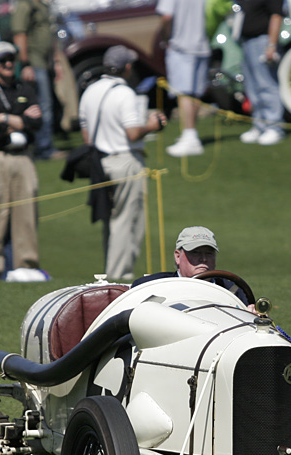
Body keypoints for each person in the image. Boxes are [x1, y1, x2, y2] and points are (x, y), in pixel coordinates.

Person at [79, 45, 167, 280]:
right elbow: (133, 133)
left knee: (111, 221)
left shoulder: (90, 91)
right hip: (125, 161)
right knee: (128, 223)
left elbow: (86, 136)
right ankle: (119, 276)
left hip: (100, 162)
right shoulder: (124, 93)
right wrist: (153, 124)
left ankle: (110, 274)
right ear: (127, 67)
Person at [0, 41, 44, 279]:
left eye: (12, 59)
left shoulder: (25, 88)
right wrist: (19, 119)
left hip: (22, 157)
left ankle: (27, 267)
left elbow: (36, 123)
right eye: (3, 60)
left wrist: (4, 118)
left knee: (27, 213)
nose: (9, 64)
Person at [132, 226, 252, 306]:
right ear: (177, 256)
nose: (203, 258)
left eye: (209, 253)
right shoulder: (153, 286)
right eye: (195, 252)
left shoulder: (233, 290)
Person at [157, 0, 210, 157]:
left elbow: (167, 17)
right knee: (194, 93)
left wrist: (166, 39)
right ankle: (190, 133)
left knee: (184, 94)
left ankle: (189, 135)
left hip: (181, 47)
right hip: (201, 45)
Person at [13, 0, 62, 160]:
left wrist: (56, 61)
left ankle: (43, 145)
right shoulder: (25, 5)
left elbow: (49, 34)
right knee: (42, 106)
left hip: (44, 62)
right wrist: (25, 63)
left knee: (45, 105)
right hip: (34, 63)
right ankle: (44, 148)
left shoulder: (41, 5)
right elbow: (19, 35)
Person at [237, 0, 285, 146]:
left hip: (262, 40)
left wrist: (271, 44)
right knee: (252, 87)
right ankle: (260, 124)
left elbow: (277, 15)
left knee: (266, 84)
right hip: (246, 41)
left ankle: (274, 126)